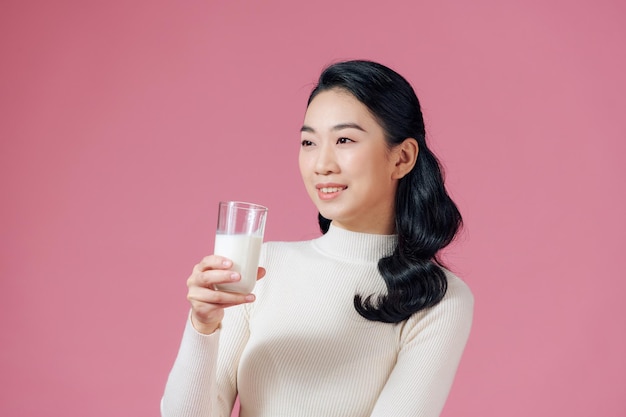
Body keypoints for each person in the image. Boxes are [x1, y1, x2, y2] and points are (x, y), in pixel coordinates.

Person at [161, 60, 474, 417]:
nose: (321, 164)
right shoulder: (261, 268)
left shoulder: (438, 297)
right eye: (309, 142)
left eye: (344, 140)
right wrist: (203, 326)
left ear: (402, 158)